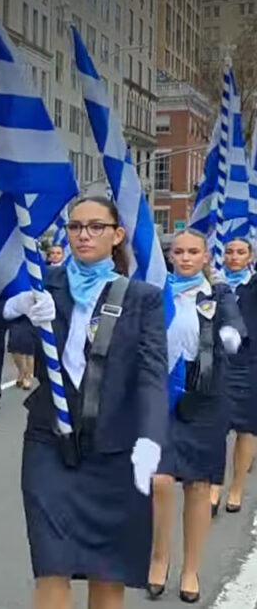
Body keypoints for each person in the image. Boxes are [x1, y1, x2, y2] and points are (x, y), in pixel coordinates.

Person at [0, 196, 167, 609]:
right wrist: (14, 306)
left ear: (117, 235)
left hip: (116, 449)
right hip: (49, 445)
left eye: (95, 226)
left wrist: (150, 439)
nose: (83, 235)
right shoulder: (43, 283)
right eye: (75, 227)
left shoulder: (142, 297)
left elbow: (151, 376)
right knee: (51, 563)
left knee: (107, 570)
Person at [148, 229, 244, 603]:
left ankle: (191, 568)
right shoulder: (156, 292)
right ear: (170, 256)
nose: (185, 258)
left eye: (193, 252)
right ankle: (159, 556)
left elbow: (234, 325)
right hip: (160, 392)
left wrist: (230, 336)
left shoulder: (218, 294)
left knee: (199, 487)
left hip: (203, 395)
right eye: (178, 252)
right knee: (158, 479)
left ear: (206, 257)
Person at [222, 237, 257, 514]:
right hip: (215, 365)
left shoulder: (253, 286)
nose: (234, 257)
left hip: (249, 363)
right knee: (214, 427)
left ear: (250, 257)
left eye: (240, 252)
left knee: (246, 427)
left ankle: (236, 487)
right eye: (229, 252)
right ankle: (213, 485)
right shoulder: (213, 285)